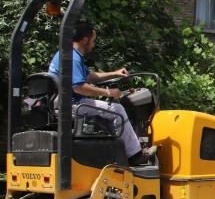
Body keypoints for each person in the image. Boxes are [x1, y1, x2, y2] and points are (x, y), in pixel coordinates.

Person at [49, 20, 157, 166]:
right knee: (117, 109)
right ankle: (135, 155)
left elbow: (90, 76)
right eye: (93, 41)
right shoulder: (72, 58)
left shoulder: (67, 54)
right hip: (73, 104)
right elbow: (79, 87)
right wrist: (109, 92)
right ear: (85, 40)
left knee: (108, 109)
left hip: (65, 103)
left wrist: (115, 73)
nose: (93, 45)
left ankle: (118, 151)